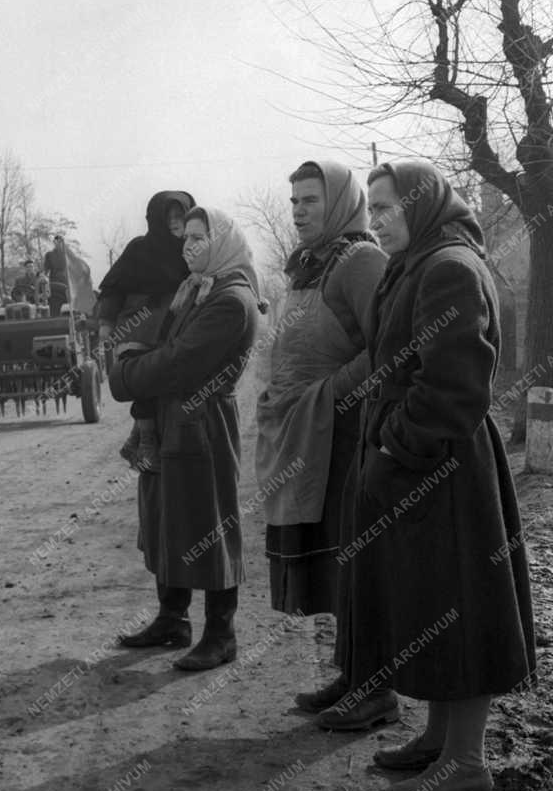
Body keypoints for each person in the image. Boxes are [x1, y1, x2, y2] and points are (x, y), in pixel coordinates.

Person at [344, 159, 536, 791]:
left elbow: (455, 388)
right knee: (429, 604)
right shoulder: (419, 261)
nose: (376, 220)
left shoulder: (448, 267)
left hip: (444, 468)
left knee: (456, 607)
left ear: (421, 205)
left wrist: (394, 444)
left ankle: (466, 764)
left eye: (387, 208)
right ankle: (437, 738)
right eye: (370, 209)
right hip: (427, 464)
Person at [254, 161, 392, 730]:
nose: (298, 210)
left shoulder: (361, 262)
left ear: (337, 203)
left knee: (357, 560)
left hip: (348, 436)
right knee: (336, 563)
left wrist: (332, 392)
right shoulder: (309, 266)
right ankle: (352, 673)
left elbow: (390, 344)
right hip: (308, 435)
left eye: (310, 199)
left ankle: (378, 690)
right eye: (293, 201)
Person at [111, 206, 265, 671]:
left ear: (223, 242)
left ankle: (222, 634)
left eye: (201, 237)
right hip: (175, 418)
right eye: (188, 238)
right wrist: (145, 362)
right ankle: (172, 619)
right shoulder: (197, 291)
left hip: (203, 422)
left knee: (209, 523)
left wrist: (124, 374)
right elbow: (165, 352)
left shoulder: (230, 300)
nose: (191, 245)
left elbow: (177, 361)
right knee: (166, 518)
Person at [95, 191, 195, 471]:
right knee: (144, 372)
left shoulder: (194, 247)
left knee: (169, 372)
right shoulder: (140, 248)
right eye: (169, 217)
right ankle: (147, 440)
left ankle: (135, 441)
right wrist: (106, 324)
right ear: (157, 220)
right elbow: (113, 287)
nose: (176, 223)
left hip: (176, 320)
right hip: (139, 320)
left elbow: (220, 269)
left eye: (181, 216)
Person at [43, 235, 70, 315]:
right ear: (54, 243)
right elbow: (46, 269)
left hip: (65, 281)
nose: (58, 244)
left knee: (67, 300)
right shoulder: (49, 255)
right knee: (53, 302)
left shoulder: (67, 255)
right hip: (54, 281)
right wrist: (43, 278)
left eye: (60, 242)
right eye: (56, 242)